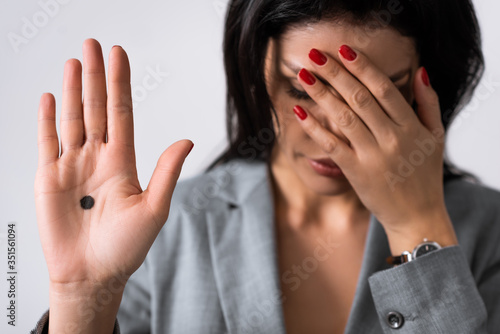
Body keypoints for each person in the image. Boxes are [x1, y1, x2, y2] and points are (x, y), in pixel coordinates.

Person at [32, 0, 500, 333]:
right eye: (302, 90)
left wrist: (419, 228)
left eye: (381, 97)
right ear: (255, 71)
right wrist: (80, 299)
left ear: (429, 85)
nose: (331, 134)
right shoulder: (167, 223)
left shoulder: (488, 228)